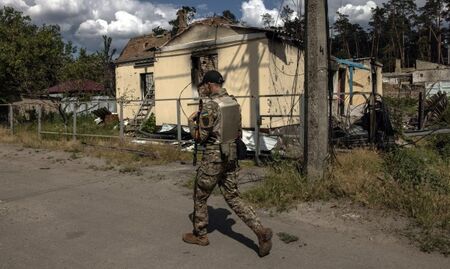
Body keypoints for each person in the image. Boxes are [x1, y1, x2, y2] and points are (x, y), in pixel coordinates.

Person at [183, 70, 273, 257]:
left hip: (213, 158)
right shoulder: (233, 102)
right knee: (233, 197)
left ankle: (201, 235)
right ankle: (260, 231)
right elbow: (238, 132)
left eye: (204, 85)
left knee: (200, 196)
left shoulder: (210, 106)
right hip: (231, 156)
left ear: (209, 85)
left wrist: (191, 123)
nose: (203, 89)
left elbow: (200, 137)